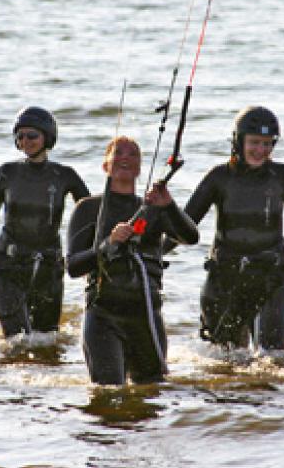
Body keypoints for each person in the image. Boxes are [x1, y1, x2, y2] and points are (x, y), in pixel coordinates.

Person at [183, 106, 284, 351]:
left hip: (270, 279)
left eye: (267, 144)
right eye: (254, 143)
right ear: (238, 141)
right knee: (226, 364)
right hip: (224, 281)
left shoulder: (283, 176)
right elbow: (186, 225)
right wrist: (154, 254)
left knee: (272, 360)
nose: (260, 150)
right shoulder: (219, 178)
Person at [66, 136, 199, 385]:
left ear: (140, 168)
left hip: (147, 316)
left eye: (133, 154)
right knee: (109, 396)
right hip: (103, 316)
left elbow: (190, 237)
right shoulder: (88, 208)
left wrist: (169, 206)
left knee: (151, 396)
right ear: (105, 165)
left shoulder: (152, 208)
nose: (125, 157)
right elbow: (73, 266)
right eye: (118, 153)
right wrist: (108, 244)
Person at [0, 106, 90, 337]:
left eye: (32, 135)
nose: (25, 141)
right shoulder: (5, 174)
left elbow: (88, 217)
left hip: (48, 268)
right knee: (18, 341)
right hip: (7, 266)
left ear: (48, 137)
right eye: (20, 136)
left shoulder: (66, 176)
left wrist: (88, 260)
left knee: (47, 342)